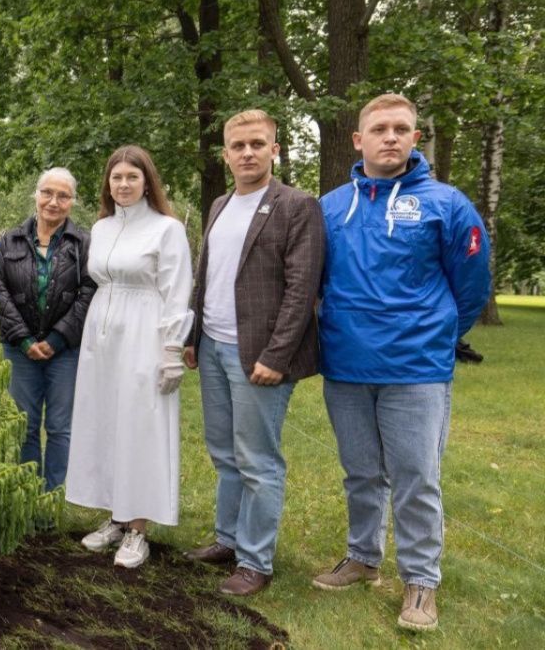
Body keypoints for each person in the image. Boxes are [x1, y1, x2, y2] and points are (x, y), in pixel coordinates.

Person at [315, 93, 491, 632]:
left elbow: (471, 283)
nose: (390, 137)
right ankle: (363, 557)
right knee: (362, 472)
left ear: (416, 138)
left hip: (416, 369)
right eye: (380, 128)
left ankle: (420, 582)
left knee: (416, 477)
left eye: (401, 129)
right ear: (358, 139)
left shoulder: (447, 203)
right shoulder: (330, 206)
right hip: (345, 365)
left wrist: (437, 335)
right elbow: (314, 279)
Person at [181, 110, 325, 595]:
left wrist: (277, 356)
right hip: (215, 347)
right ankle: (228, 540)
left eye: (257, 144)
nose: (247, 153)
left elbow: (303, 288)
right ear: (225, 154)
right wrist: (192, 336)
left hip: (259, 357)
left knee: (257, 460)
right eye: (238, 145)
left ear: (274, 150)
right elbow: (207, 277)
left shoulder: (296, 205)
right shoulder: (220, 204)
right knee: (224, 452)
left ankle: (255, 561)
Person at [66, 145, 193, 569]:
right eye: (116, 177)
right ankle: (117, 517)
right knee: (107, 420)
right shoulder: (100, 228)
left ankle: (139, 528)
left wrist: (172, 348)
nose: (123, 184)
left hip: (145, 331)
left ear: (146, 183)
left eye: (131, 178)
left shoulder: (166, 229)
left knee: (140, 424)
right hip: (103, 333)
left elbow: (177, 291)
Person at [0, 168, 94, 493]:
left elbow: (88, 291)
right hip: (19, 350)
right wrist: (23, 339)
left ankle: (53, 498)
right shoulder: (9, 241)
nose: (53, 202)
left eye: (63, 196)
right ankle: (29, 495)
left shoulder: (84, 243)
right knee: (26, 426)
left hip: (65, 351)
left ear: (72, 202)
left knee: (60, 427)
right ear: (35, 195)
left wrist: (57, 339)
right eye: (47, 193)